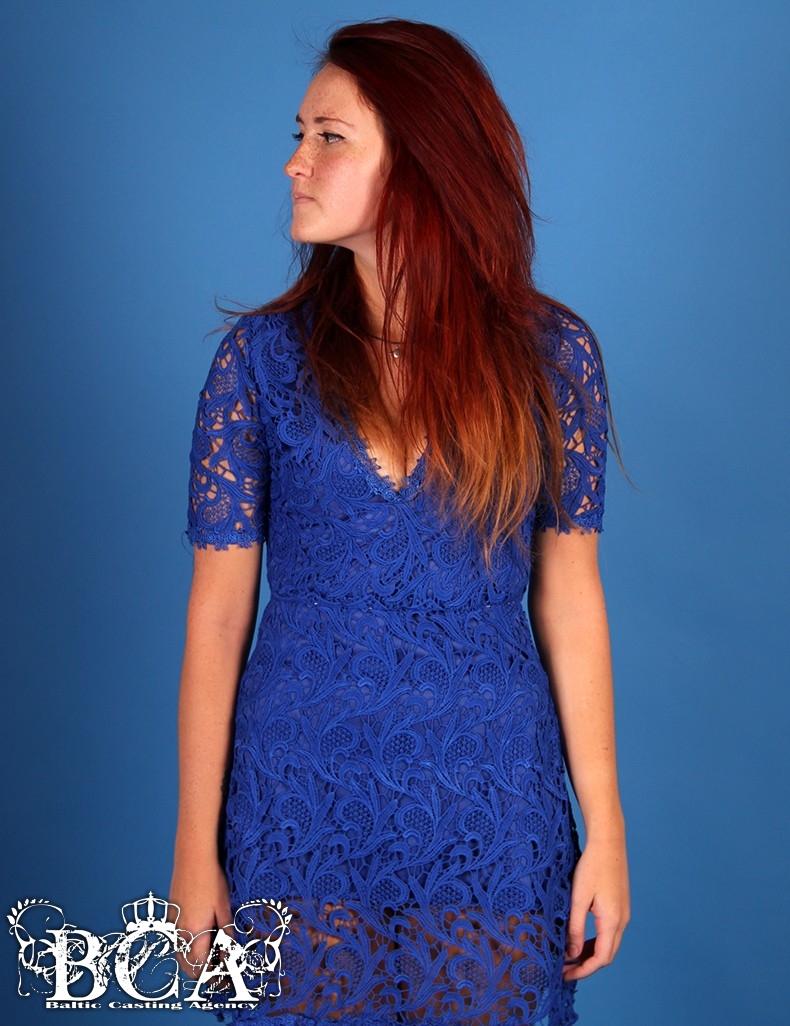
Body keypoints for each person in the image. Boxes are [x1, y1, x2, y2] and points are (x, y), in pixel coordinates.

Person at [170, 17, 629, 1026]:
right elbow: (217, 618)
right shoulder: (258, 364)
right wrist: (193, 848)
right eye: (299, 134)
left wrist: (605, 829)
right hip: (297, 805)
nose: (295, 162)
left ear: (421, 160)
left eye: (328, 136)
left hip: (491, 806)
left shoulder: (551, 359)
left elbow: (569, 597)